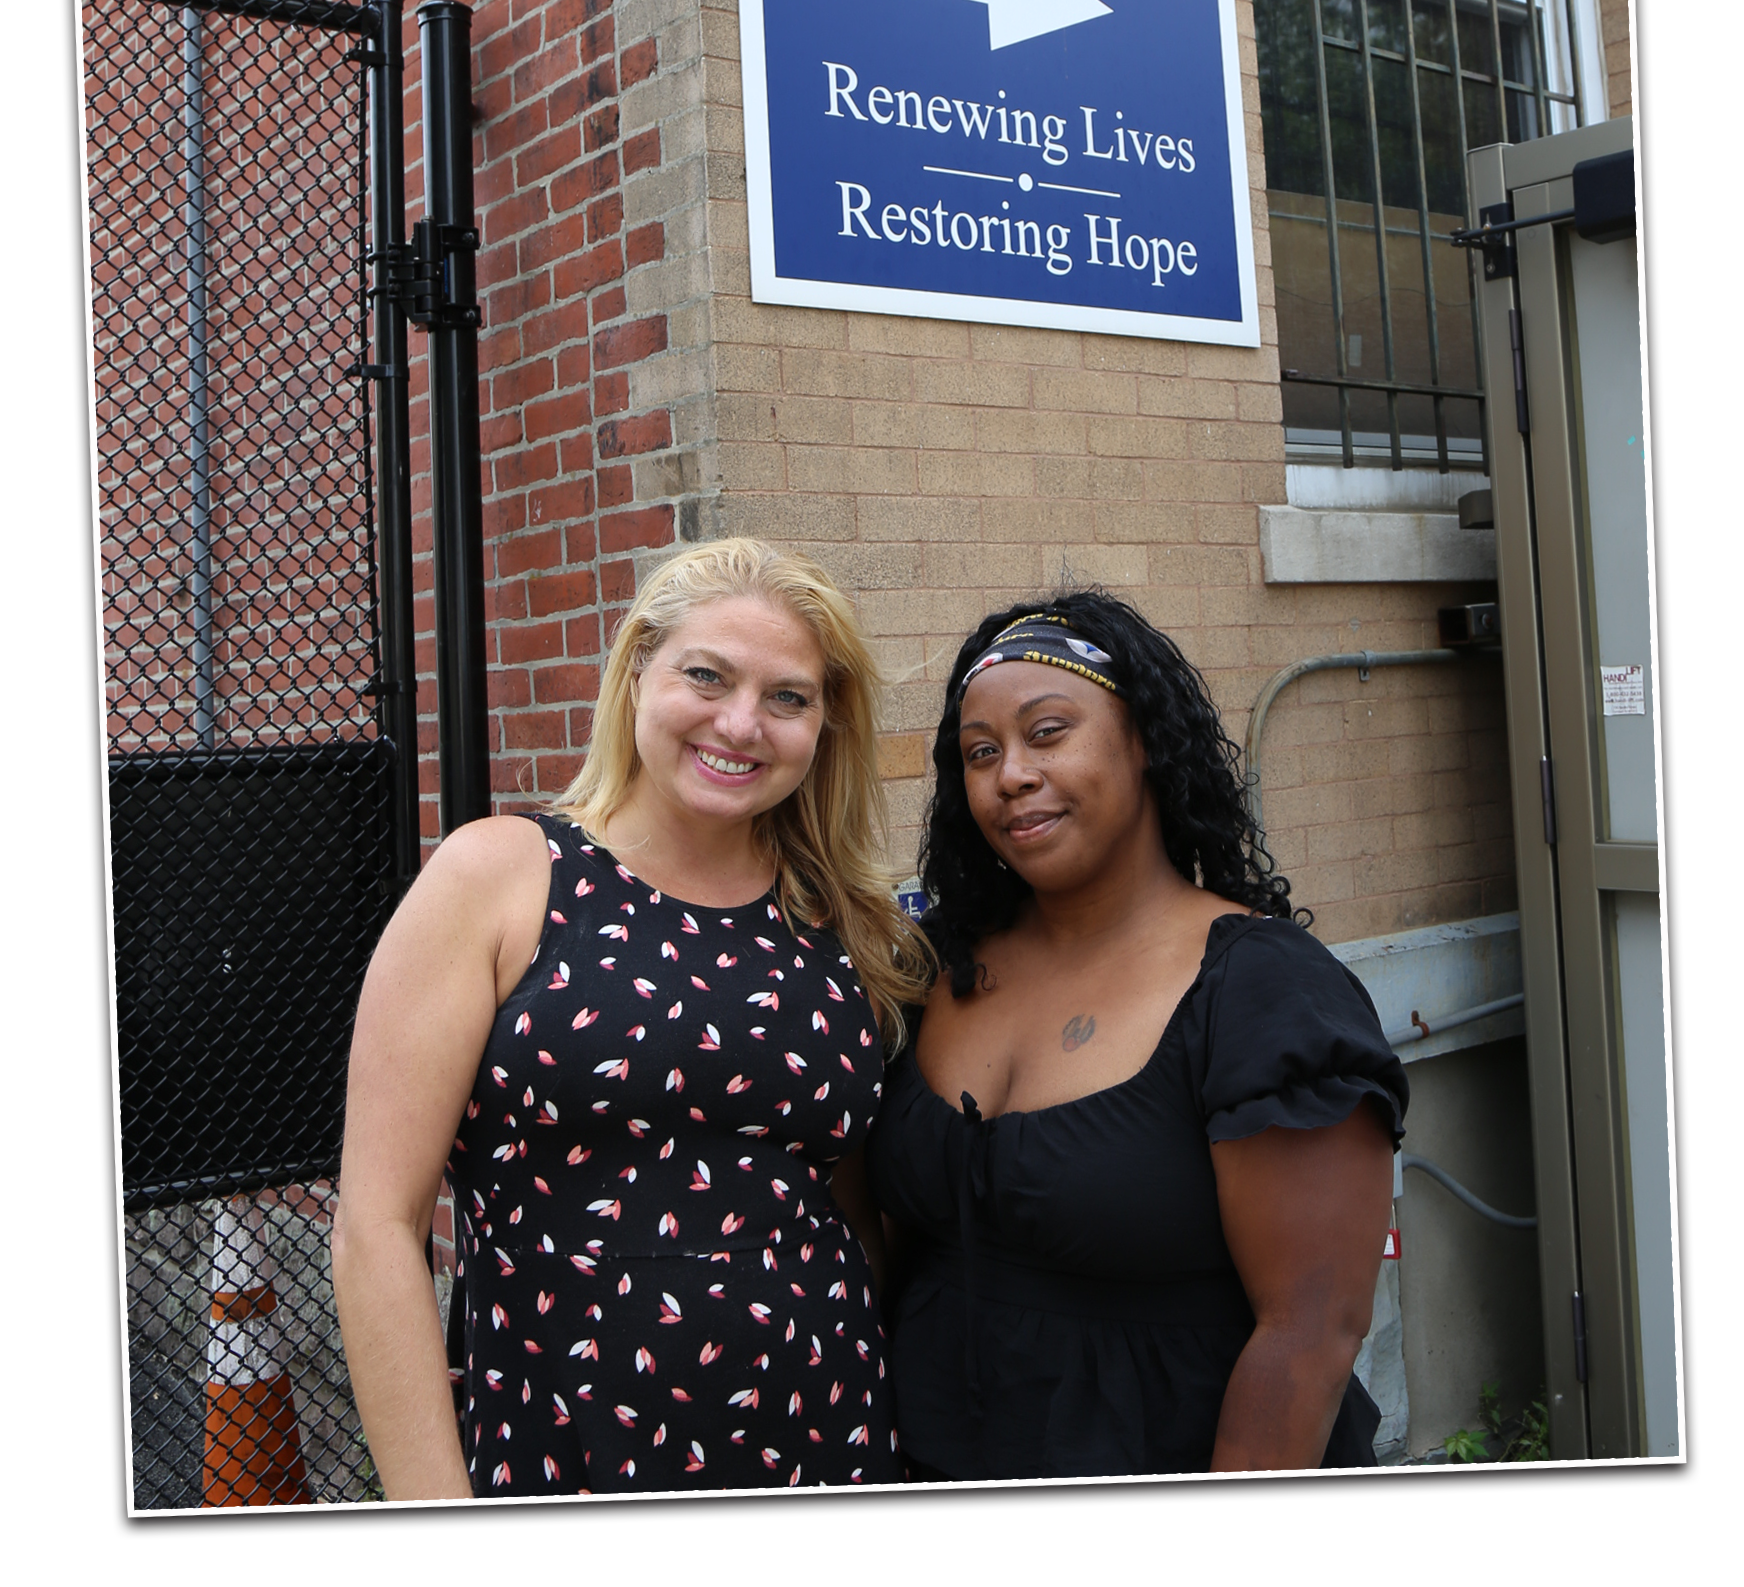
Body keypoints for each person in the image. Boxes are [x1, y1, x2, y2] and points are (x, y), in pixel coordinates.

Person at [332, 538, 932, 1497]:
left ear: (826, 724)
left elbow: (854, 1212)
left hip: (825, 1427)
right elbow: (377, 1229)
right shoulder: (501, 875)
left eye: (789, 697)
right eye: (708, 675)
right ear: (638, 668)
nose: (742, 724)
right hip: (567, 1438)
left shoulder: (846, 925)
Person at [865, 594, 1409, 1480]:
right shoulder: (937, 969)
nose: (1010, 775)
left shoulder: (1259, 987)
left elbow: (1310, 1332)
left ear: (1145, 739)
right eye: (981, 752)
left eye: (1048, 732)